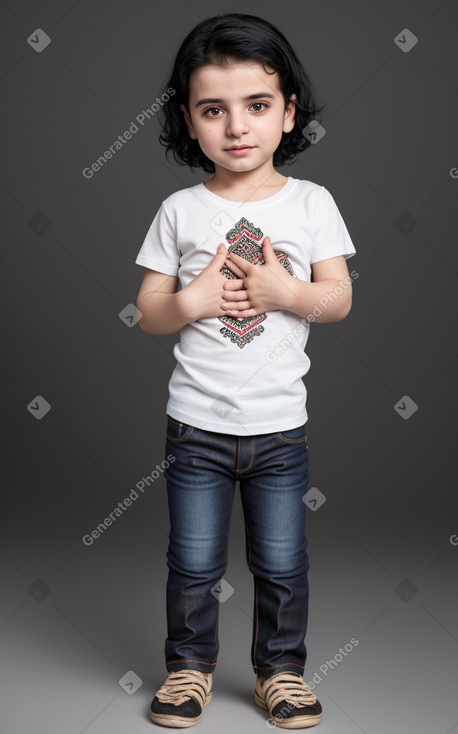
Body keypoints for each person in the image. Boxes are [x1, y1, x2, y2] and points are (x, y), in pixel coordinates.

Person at [135, 12, 356, 729]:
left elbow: (337, 298)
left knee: (283, 565)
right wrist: (192, 299)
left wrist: (286, 293)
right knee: (194, 564)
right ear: (187, 121)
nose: (237, 126)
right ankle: (188, 669)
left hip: (279, 434)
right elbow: (149, 312)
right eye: (213, 110)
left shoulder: (311, 203)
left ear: (288, 112)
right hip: (194, 429)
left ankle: (282, 672)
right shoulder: (179, 210)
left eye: (257, 105)